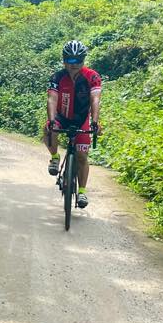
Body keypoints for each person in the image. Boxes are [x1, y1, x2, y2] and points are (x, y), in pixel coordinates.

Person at [44, 40, 102, 209]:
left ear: (83, 60)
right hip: (62, 116)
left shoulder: (92, 76)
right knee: (49, 129)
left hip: (81, 119)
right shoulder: (57, 77)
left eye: (78, 60)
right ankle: (55, 158)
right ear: (64, 60)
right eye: (70, 60)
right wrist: (51, 120)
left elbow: (95, 99)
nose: (74, 64)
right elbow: (52, 99)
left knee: (82, 156)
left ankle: (82, 191)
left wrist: (95, 122)